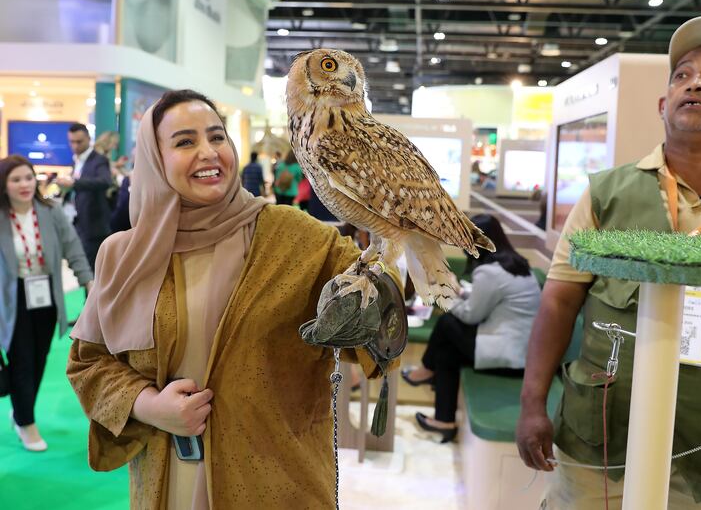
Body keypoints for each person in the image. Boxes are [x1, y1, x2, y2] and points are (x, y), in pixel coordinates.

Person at [66, 89, 402, 508]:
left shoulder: (296, 236)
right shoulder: (124, 254)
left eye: (217, 137)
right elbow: (88, 362)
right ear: (155, 159)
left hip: (274, 480)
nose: (208, 152)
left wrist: (396, 258)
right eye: (185, 142)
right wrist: (149, 406)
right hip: (168, 480)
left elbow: (381, 311)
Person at [516, 16, 701, 509]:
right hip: (604, 436)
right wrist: (532, 402)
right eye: (682, 74)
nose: (696, 82)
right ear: (664, 104)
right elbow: (558, 302)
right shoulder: (605, 194)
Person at [403, 214, 540, 443]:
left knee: (448, 323)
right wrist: (459, 292)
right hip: (521, 355)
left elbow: (470, 315)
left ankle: (426, 369)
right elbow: (488, 300)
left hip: (508, 357)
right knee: (447, 353)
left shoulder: (490, 272)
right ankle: (444, 421)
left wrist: (444, 296)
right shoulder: (515, 263)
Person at [0, 155, 93, 452]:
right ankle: (26, 422)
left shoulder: (51, 212)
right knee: (21, 361)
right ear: (4, 185)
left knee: (38, 360)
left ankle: (21, 410)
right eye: (16, 179)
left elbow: (73, 248)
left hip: (46, 295)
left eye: (28, 177)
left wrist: (87, 281)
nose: (24, 184)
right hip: (11, 297)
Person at [57, 123, 113, 270]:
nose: (75, 146)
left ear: (89, 139)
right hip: (79, 223)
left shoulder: (99, 160)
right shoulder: (77, 160)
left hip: (95, 226)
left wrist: (74, 182)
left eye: (79, 141)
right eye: (72, 142)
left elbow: (105, 181)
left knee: (94, 272)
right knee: (84, 269)